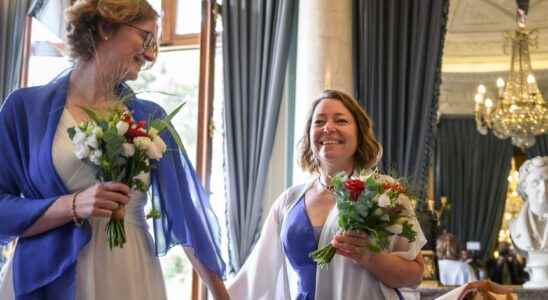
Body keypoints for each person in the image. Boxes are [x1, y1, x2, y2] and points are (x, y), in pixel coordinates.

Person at [0, 1, 228, 299]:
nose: (149, 55)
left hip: (128, 273)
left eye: (155, 45)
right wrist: (72, 205)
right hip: (46, 275)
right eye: (145, 38)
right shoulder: (24, 110)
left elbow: (186, 217)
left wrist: (222, 295)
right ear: (106, 27)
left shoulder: (151, 118)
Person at [227, 90, 427, 299]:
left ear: (359, 134)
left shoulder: (385, 192)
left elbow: (415, 275)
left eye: (341, 121)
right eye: (319, 122)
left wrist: (371, 257)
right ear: (309, 136)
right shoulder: (288, 201)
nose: (328, 128)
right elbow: (256, 276)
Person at [510, 156, 548, 251]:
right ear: (525, 188)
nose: (543, 189)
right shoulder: (515, 226)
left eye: (547, 182)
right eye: (535, 183)